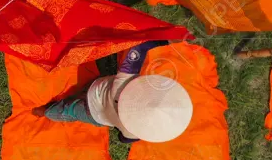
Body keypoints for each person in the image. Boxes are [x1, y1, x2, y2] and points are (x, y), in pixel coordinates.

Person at [32, 41, 193, 143]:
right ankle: (45, 112)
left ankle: (44, 111)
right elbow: (123, 139)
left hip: (96, 89)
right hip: (95, 116)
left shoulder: (125, 84)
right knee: (69, 111)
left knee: (69, 108)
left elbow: (136, 52)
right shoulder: (133, 131)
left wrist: (164, 40)